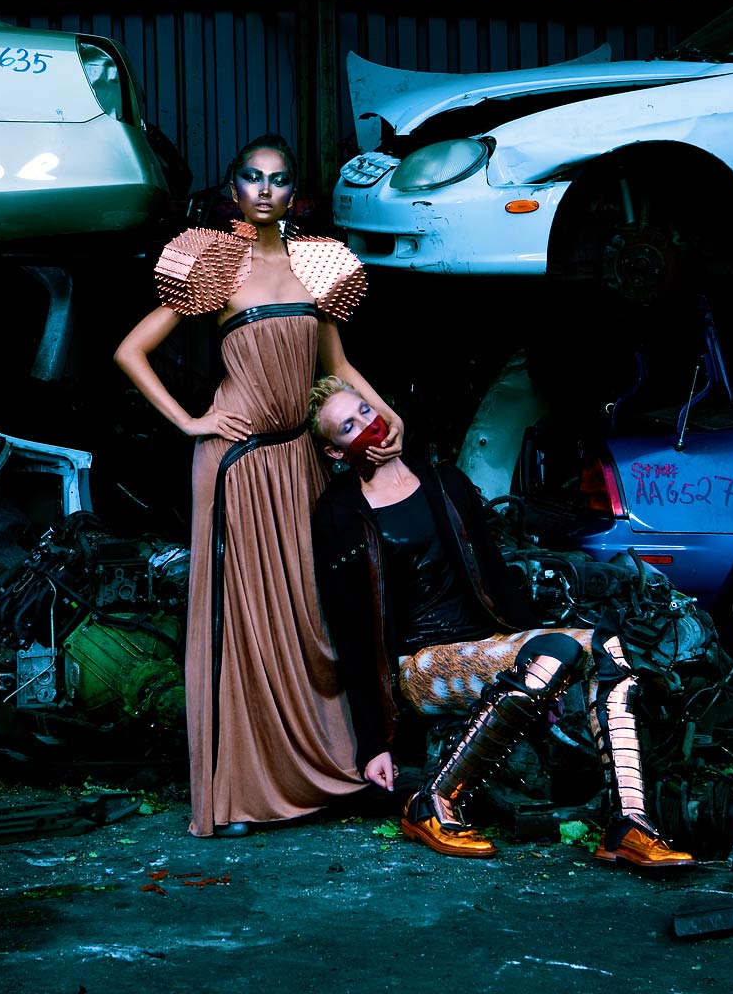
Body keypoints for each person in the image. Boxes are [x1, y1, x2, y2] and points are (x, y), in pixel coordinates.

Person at [113, 135, 404, 838]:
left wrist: (388, 412)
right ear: (234, 189)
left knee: (312, 615)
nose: (265, 189)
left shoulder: (317, 264)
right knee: (244, 627)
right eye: (252, 177)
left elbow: (335, 364)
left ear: (294, 194)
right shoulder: (212, 262)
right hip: (236, 463)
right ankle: (242, 795)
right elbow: (130, 350)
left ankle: (329, 770)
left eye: (278, 179)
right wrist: (189, 420)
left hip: (301, 460)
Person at [308, 375, 695, 869]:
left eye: (365, 410)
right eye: (347, 426)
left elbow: (496, 574)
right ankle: (432, 803)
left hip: (489, 642)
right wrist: (372, 745)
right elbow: (353, 632)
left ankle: (630, 825)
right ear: (335, 452)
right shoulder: (340, 514)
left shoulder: (444, 481)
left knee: (606, 646)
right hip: (420, 664)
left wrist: (535, 649)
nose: (366, 424)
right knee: (560, 651)